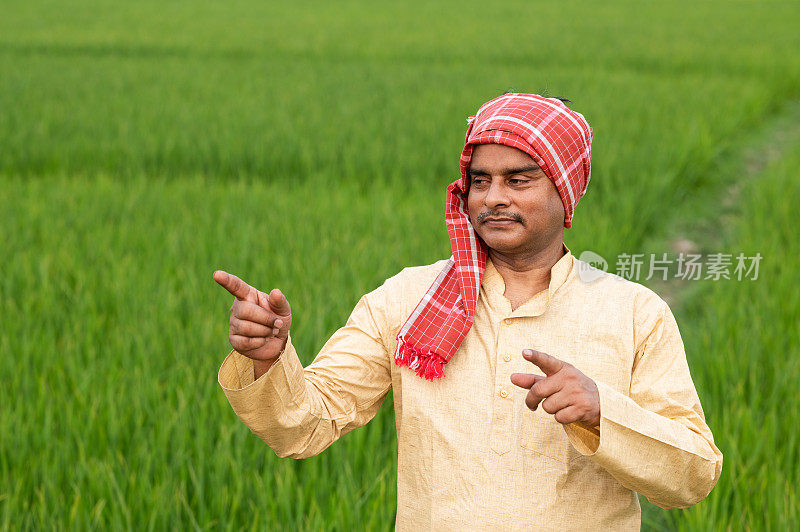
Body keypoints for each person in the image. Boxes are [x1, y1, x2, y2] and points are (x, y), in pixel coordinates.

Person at [213, 93, 722, 530]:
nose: (493, 198)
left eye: (519, 180)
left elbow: (693, 476)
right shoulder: (409, 300)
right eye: (481, 181)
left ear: (565, 193)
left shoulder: (633, 313)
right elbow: (306, 424)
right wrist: (268, 358)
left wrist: (601, 410)